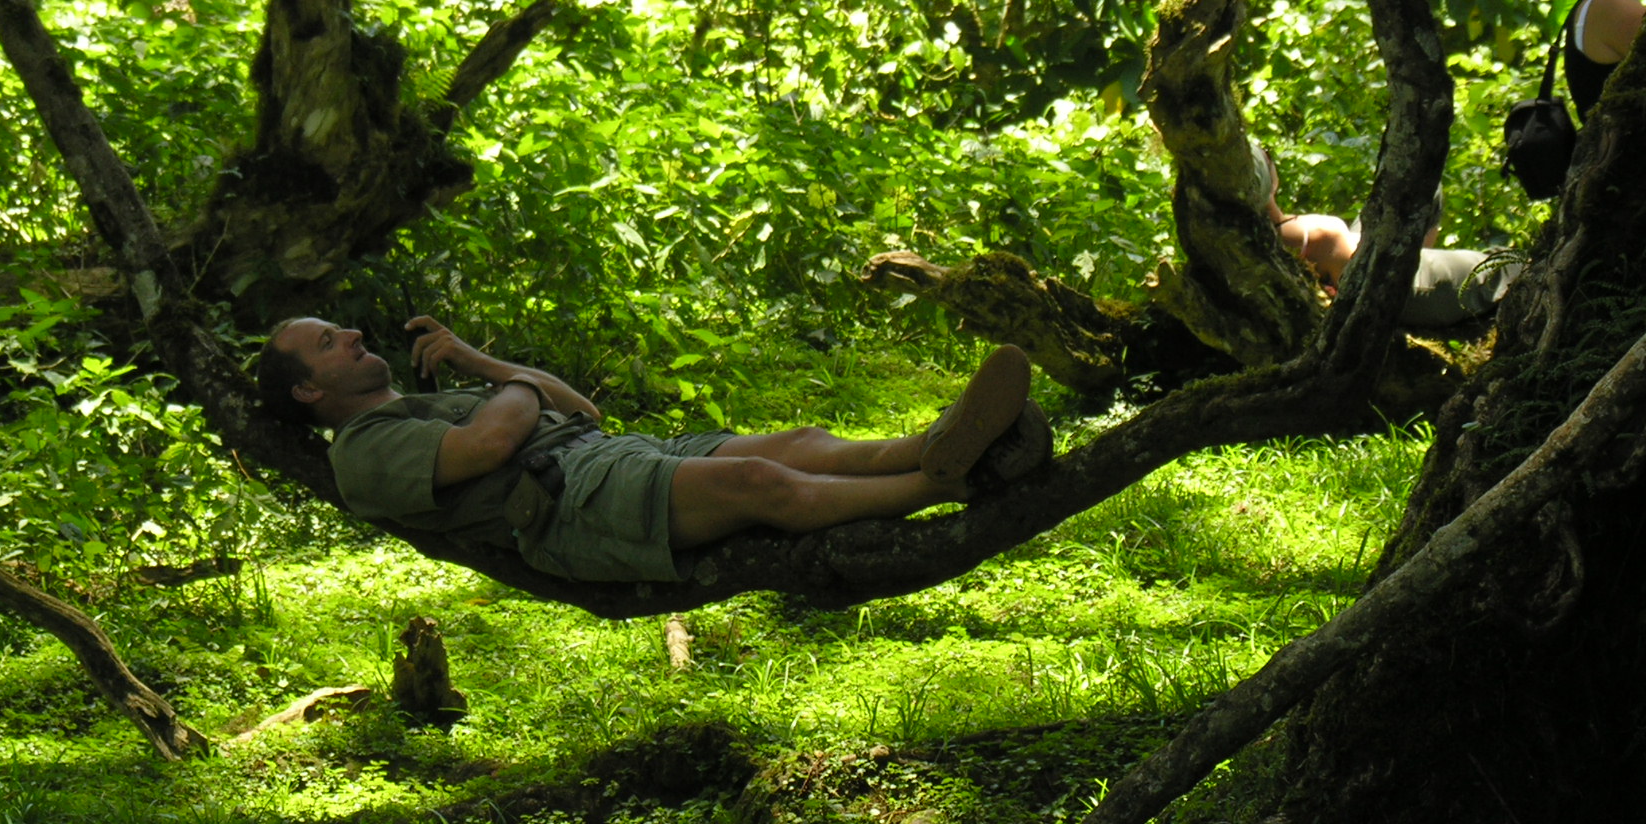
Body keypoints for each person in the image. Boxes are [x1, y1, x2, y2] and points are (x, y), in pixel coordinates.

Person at [254, 316, 1054, 585]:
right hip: (570, 507)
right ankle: (949, 481)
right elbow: (491, 442)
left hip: (608, 454)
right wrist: (517, 391)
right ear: (310, 393)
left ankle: (934, 443)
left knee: (801, 442)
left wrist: (478, 361)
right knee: (757, 480)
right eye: (328, 344)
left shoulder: (425, 399)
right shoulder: (361, 450)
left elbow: (579, 409)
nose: (351, 334)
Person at [1251, 143, 1518, 329]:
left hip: (1365, 263)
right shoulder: (1317, 234)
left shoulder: (1269, 234)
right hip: (1392, 284)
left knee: (1422, 180)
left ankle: (1420, 255)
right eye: (1266, 155)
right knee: (1505, 265)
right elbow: (1361, 270)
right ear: (1267, 180)